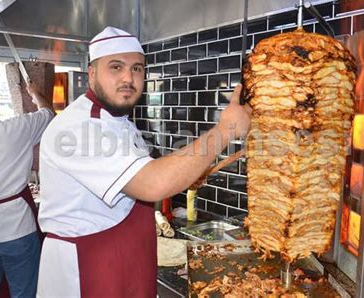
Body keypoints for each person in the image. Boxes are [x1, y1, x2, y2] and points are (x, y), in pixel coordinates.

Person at [37, 26, 251, 297]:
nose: (128, 77)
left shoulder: (120, 123)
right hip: (87, 269)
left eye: (137, 68)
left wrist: (188, 173)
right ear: (92, 73)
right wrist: (226, 130)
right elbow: (152, 183)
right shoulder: (80, 127)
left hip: (124, 259)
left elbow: (148, 174)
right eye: (116, 67)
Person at [0, 76, 54, 297]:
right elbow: (48, 114)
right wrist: (35, 93)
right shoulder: (15, 129)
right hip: (16, 230)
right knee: (24, 292)